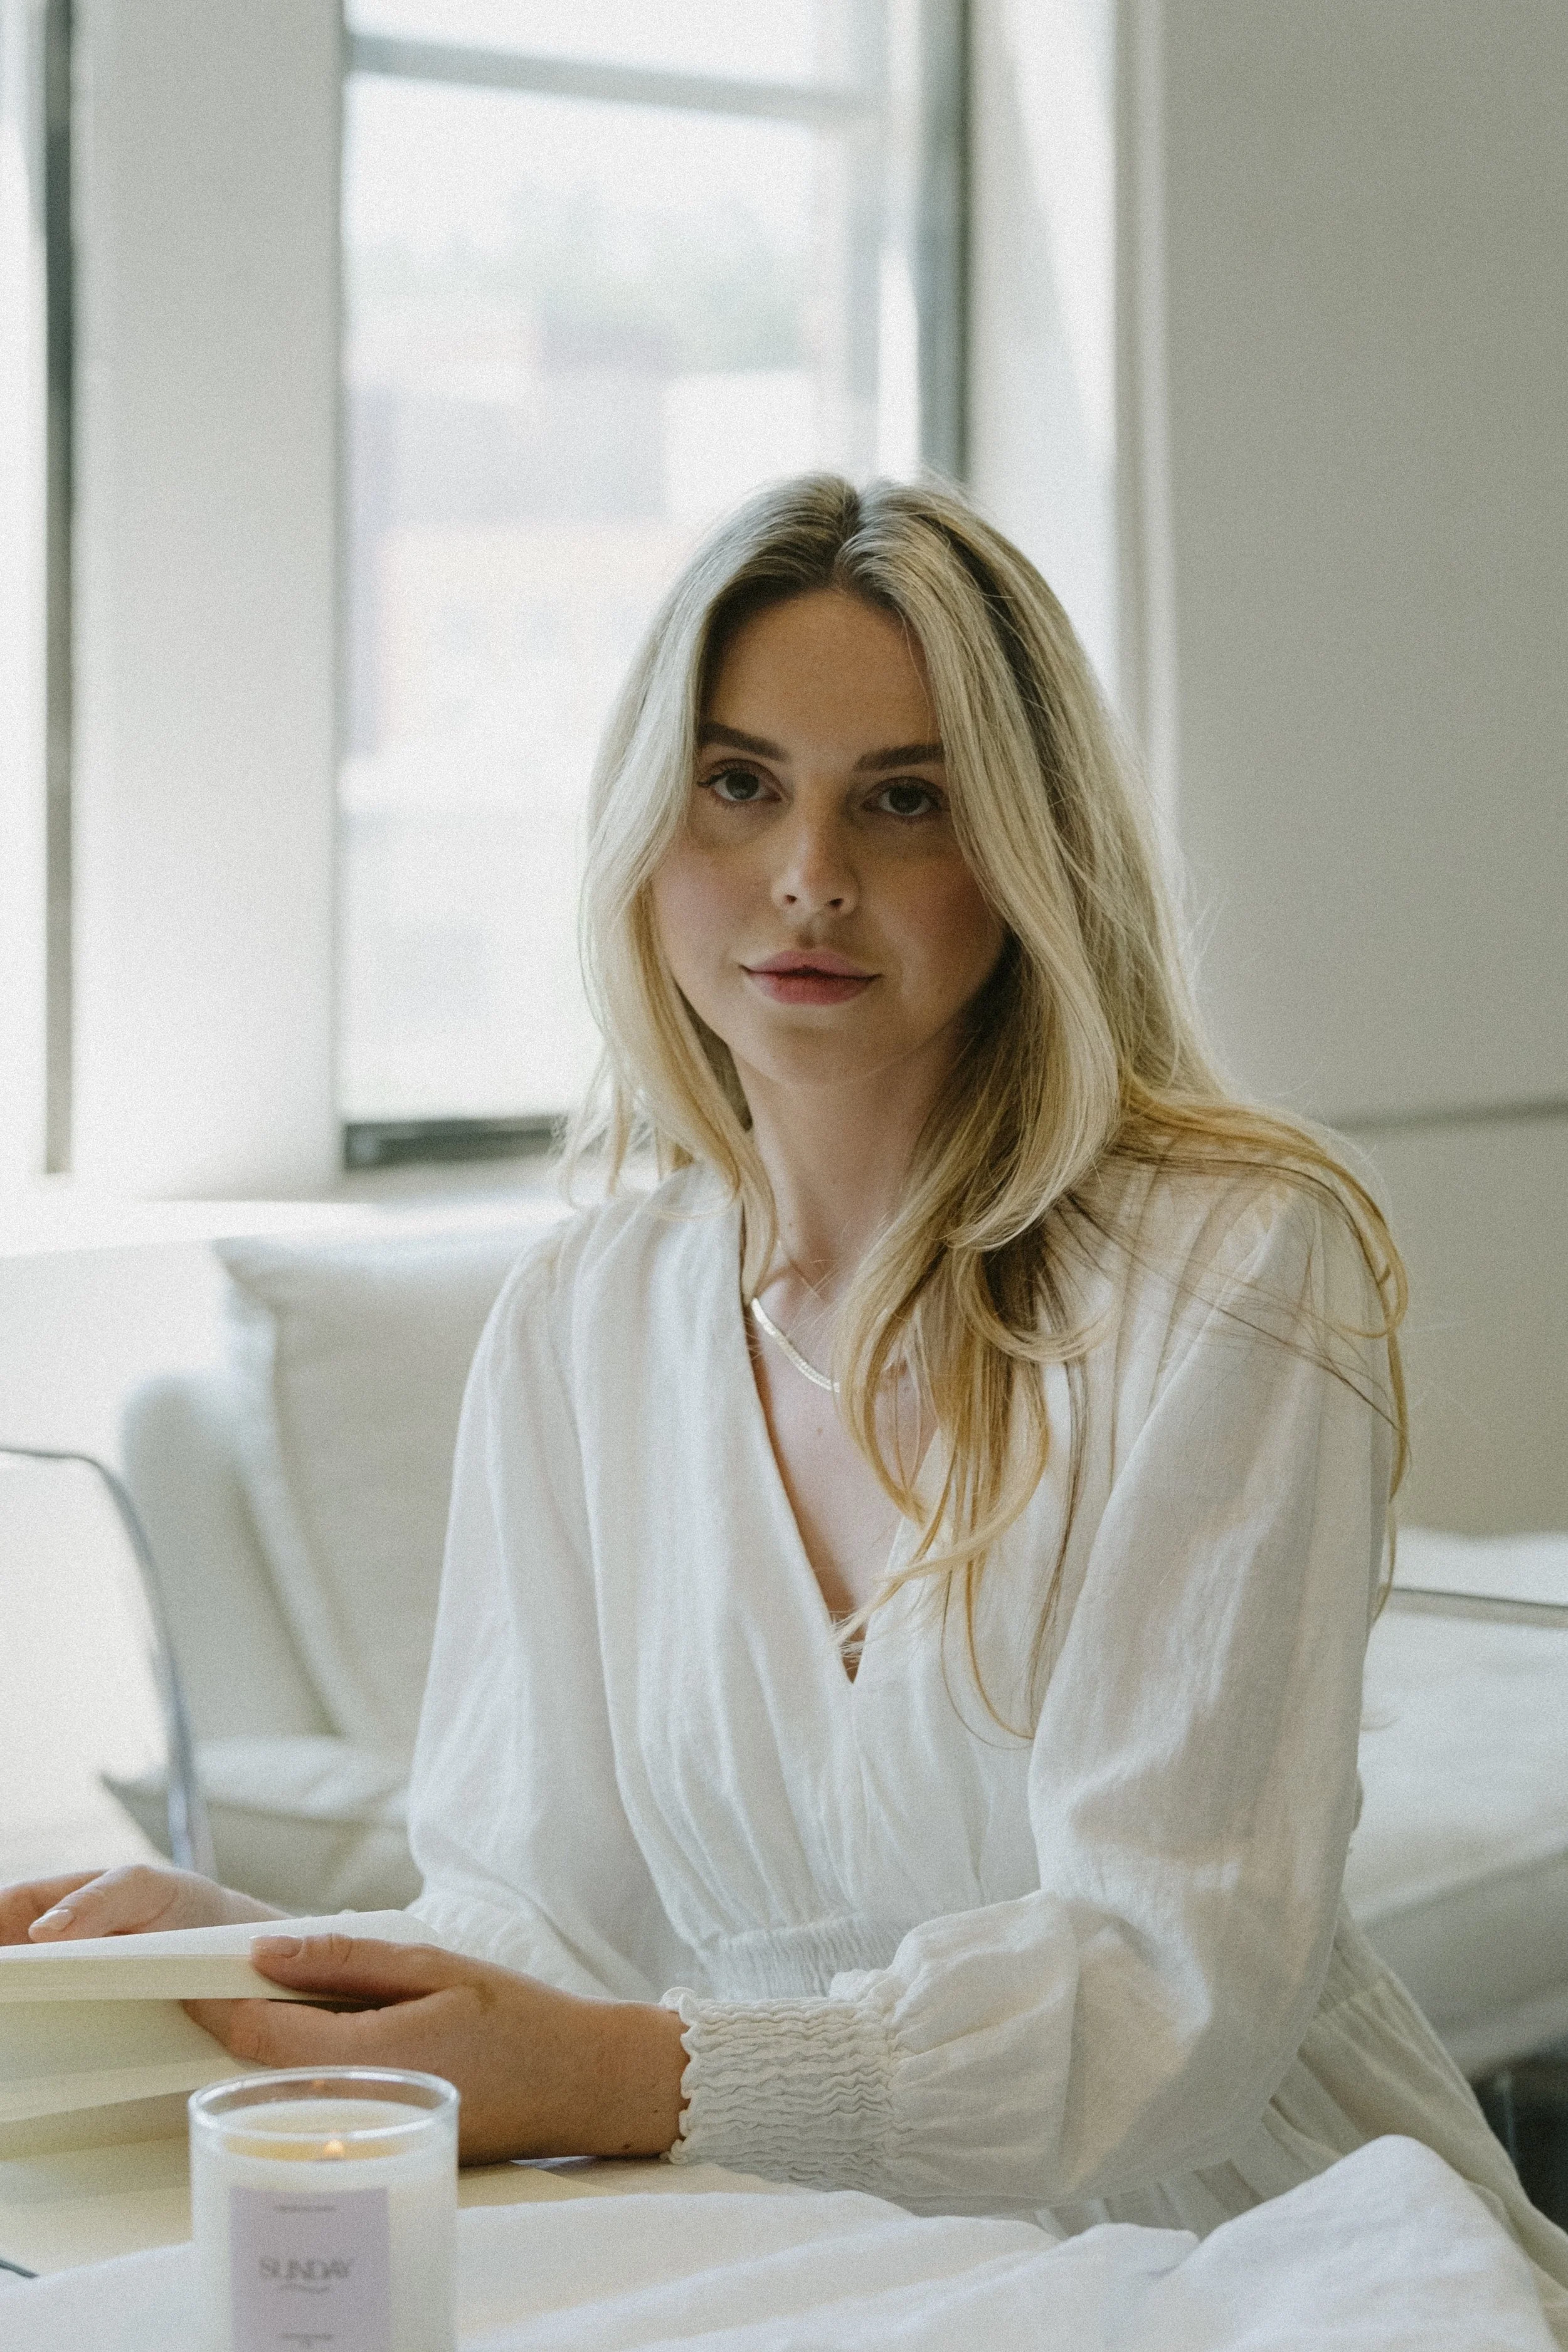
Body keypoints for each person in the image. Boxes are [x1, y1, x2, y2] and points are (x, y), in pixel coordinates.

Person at [5, 476, 1566, 2326]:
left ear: (1024, 848)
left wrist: (631, 2072)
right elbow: (541, 1929)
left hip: (1246, 2248)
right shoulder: (582, 1319)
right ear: (646, 825)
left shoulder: (1228, 1263)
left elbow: (1171, 1991)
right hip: (793, 2241)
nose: (809, 873)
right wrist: (250, 1946)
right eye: (739, 784)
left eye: (900, 798)